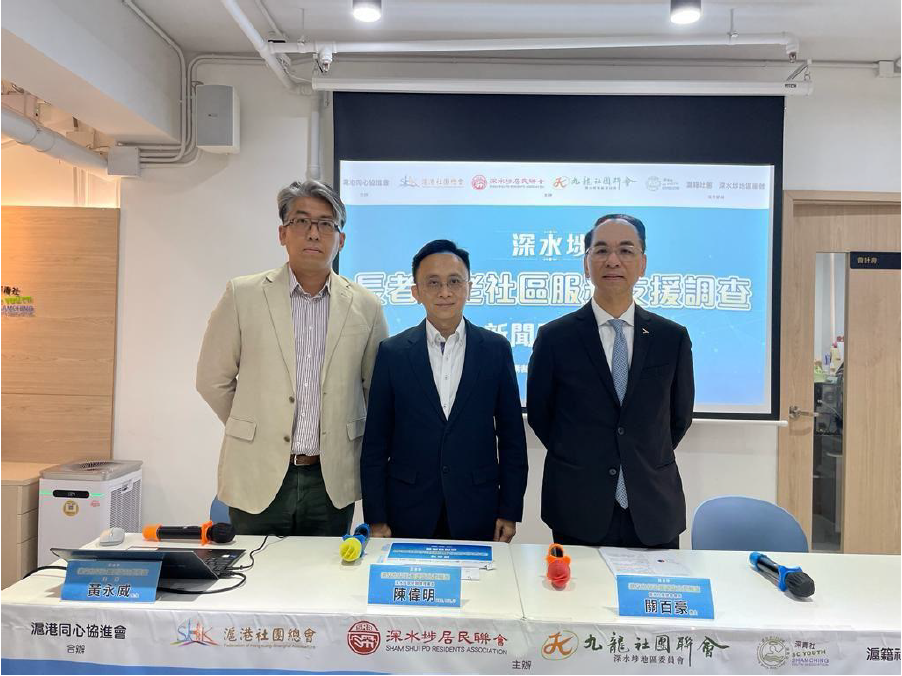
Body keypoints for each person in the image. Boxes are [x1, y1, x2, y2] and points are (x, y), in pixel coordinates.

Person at [197, 180, 388, 536]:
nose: (313, 233)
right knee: (254, 569)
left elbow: (374, 390)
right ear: (282, 233)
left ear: (341, 239)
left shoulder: (366, 306)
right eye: (302, 221)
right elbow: (212, 380)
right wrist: (254, 428)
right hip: (257, 470)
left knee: (326, 570)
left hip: (330, 480)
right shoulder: (243, 295)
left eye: (326, 224)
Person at [527, 214, 694, 548]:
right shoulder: (555, 338)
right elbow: (541, 416)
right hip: (578, 506)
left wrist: (636, 456)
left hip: (653, 506)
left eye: (626, 251)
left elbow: (678, 418)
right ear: (586, 264)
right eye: (601, 250)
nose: (613, 260)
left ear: (642, 264)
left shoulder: (671, 338)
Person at [361, 240, 528, 542]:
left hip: (477, 507)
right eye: (433, 283)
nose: (445, 292)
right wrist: (376, 517)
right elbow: (375, 442)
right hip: (407, 509)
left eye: (454, 281)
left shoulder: (495, 349)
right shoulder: (393, 353)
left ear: (469, 288)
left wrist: (510, 510)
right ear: (416, 292)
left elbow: (512, 439)